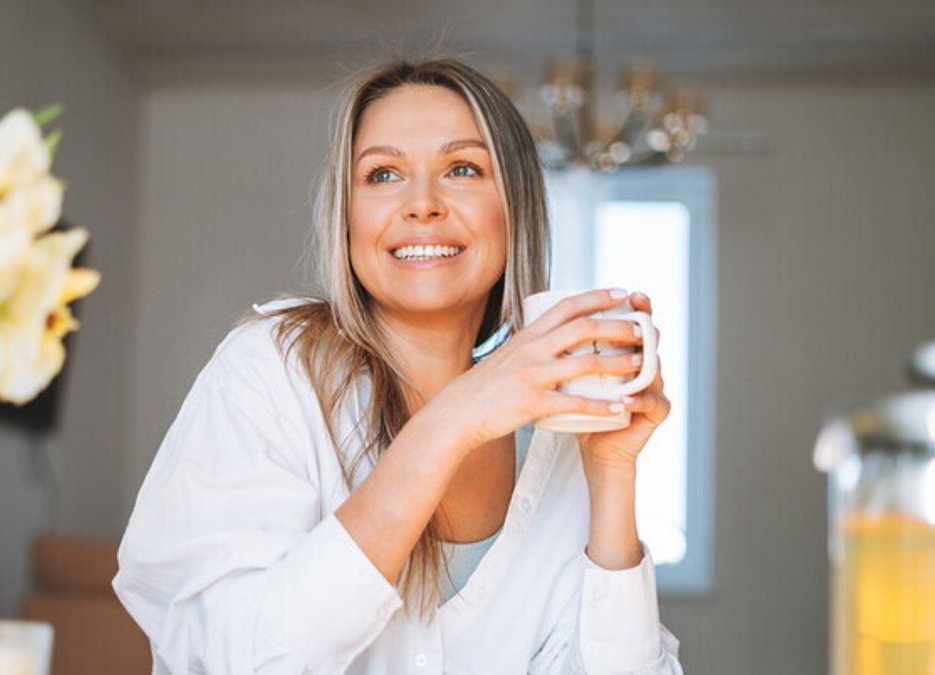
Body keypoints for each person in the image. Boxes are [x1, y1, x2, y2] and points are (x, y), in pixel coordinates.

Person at [113, 58, 684, 674]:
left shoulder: (553, 431)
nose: (422, 205)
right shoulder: (271, 369)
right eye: (383, 174)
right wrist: (456, 418)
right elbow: (236, 658)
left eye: (462, 169)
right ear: (347, 213)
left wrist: (612, 473)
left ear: (514, 208)